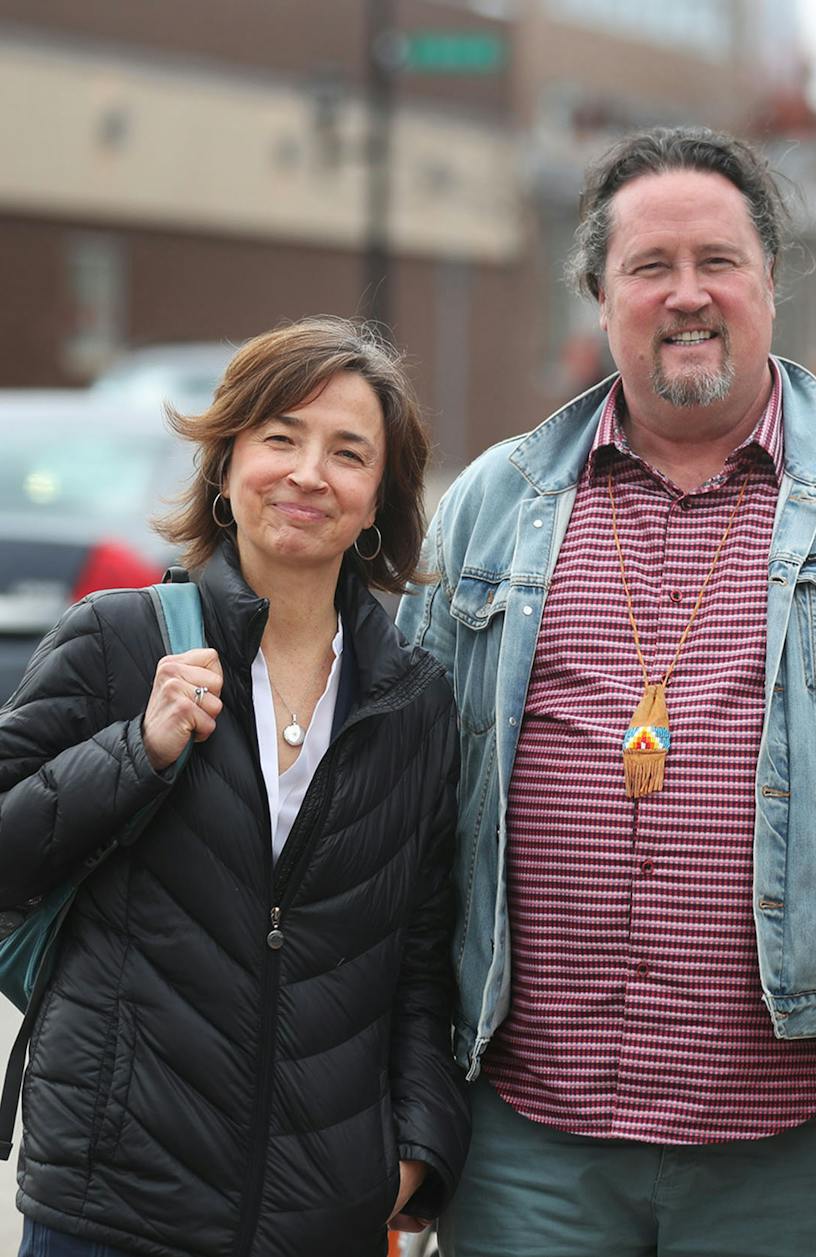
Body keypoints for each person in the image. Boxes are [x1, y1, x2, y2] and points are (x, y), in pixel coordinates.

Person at [396, 126, 816, 1257]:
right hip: (524, 1148)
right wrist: (409, 1104)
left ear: (772, 282)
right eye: (649, 267)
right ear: (596, 295)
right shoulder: (491, 505)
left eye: (718, 262)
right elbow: (403, 827)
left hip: (805, 1152)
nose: (688, 296)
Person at [0, 317, 470, 1257]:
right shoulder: (118, 640)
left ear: (378, 496)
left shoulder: (412, 701)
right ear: (226, 464)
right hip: (113, 1205)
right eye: (280, 438)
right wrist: (139, 748)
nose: (308, 473)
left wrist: (416, 1149)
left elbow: (422, 957)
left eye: (348, 452)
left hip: (319, 1216)